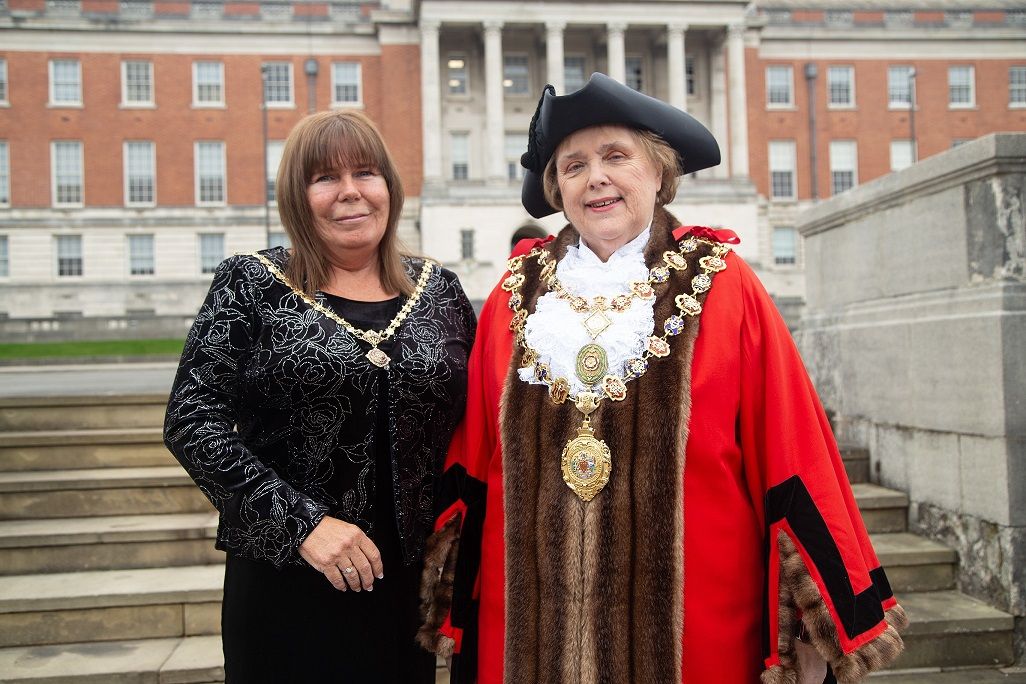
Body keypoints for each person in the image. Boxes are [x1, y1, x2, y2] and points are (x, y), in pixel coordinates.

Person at [417, 73, 907, 683]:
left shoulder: (724, 286)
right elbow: (473, 457)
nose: (595, 177)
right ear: (557, 190)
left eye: (616, 157)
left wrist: (813, 616)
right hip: (526, 630)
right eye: (573, 166)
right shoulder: (512, 299)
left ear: (658, 174)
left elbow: (792, 444)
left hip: (698, 633)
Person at [164, 109, 475, 682]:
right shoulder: (251, 283)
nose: (351, 193)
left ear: (390, 187)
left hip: (407, 589)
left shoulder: (439, 289)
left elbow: (476, 420)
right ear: (297, 196)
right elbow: (191, 419)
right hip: (291, 580)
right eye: (325, 178)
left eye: (366, 173)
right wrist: (303, 525)